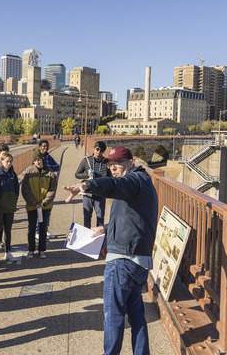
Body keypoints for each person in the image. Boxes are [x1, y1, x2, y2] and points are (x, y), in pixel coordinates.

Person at [63, 146, 158, 355]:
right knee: (137, 317)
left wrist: (86, 185)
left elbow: (114, 185)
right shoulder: (141, 184)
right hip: (137, 261)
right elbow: (135, 219)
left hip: (123, 261)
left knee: (113, 315)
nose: (113, 170)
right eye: (111, 166)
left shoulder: (134, 180)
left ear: (131, 163)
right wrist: (104, 229)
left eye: (116, 165)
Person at [21, 149, 57, 259]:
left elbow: (52, 190)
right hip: (32, 206)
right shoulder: (28, 173)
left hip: (45, 206)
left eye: (40, 159)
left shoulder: (50, 173)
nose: (38, 162)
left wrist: (44, 203)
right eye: (36, 160)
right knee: (31, 228)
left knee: (43, 228)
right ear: (33, 161)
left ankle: (42, 250)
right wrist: (34, 203)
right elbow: (25, 190)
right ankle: (31, 249)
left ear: (43, 160)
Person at [74, 140, 111, 229]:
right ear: (94, 149)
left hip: (100, 194)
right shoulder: (86, 161)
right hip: (88, 193)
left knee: (100, 219)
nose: (99, 152)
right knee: (87, 218)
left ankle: (99, 241)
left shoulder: (106, 162)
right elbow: (76, 174)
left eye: (101, 150)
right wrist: (86, 175)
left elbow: (110, 179)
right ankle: (87, 239)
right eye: (97, 149)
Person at [37, 140, 59, 239]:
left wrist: (47, 167)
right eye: (43, 146)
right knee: (39, 209)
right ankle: (37, 231)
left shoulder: (48, 157)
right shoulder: (37, 157)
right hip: (39, 185)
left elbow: (57, 167)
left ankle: (45, 230)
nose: (45, 148)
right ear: (40, 147)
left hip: (48, 184)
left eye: (47, 146)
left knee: (47, 209)